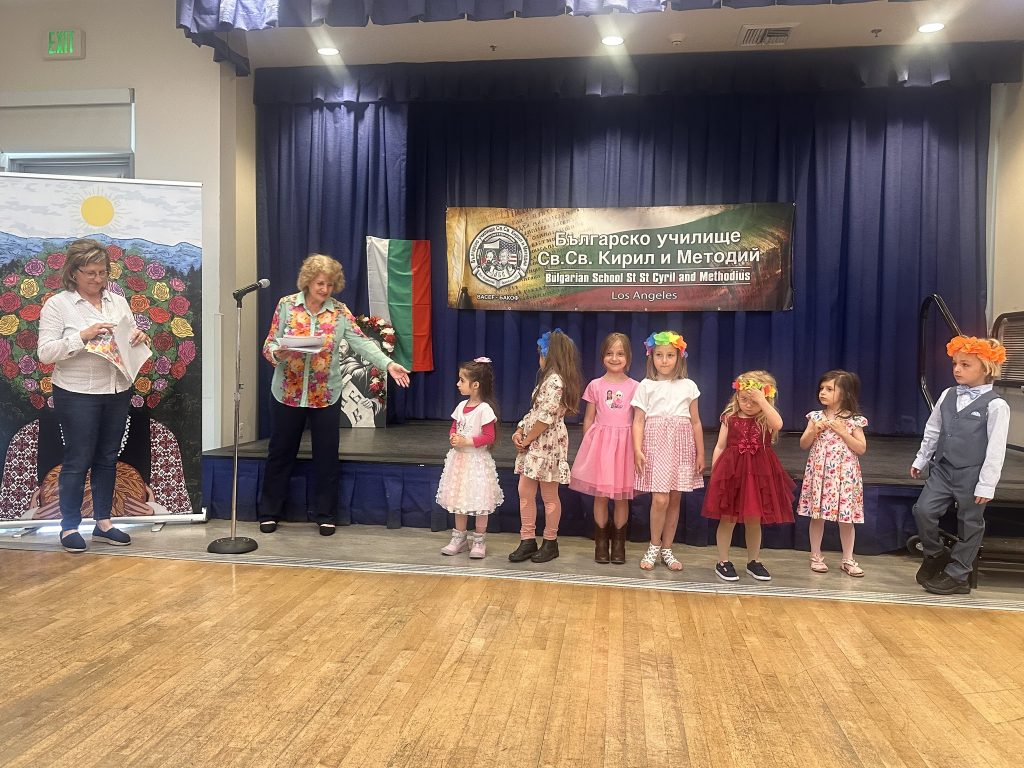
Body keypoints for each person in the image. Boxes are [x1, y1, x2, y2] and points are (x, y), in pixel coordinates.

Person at [259, 254, 410, 536]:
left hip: (325, 393)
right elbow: (269, 344)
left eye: (330, 284)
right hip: (288, 392)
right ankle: (269, 512)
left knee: (326, 456)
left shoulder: (339, 312)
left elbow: (361, 343)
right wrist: (278, 352)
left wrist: (388, 364)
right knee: (280, 452)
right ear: (308, 281)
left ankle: (325, 514)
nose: (325, 289)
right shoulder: (287, 305)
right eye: (320, 283)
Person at [37, 238, 150, 553]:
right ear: (73, 272)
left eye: (102, 272)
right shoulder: (58, 305)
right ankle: (69, 526)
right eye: (90, 273)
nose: (98, 279)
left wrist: (138, 337)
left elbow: (128, 338)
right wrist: (82, 337)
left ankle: (104, 523)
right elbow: (45, 353)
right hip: (77, 392)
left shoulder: (118, 301)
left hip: (116, 389)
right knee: (78, 459)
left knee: (107, 457)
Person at [910, 335, 1010, 595]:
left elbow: (996, 449)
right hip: (943, 468)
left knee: (970, 522)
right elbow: (933, 429)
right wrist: (922, 458)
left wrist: (987, 484)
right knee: (923, 510)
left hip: (972, 473)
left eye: (965, 365)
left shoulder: (996, 405)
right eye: (955, 363)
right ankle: (935, 554)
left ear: (985, 369)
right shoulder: (948, 394)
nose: (957, 369)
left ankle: (958, 573)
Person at [702, 371, 795, 582]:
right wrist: (716, 473)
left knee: (754, 519)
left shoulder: (765, 419)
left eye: (753, 400)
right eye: (744, 399)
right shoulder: (730, 418)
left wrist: (762, 401)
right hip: (733, 473)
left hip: (758, 474)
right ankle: (723, 561)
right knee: (728, 519)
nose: (748, 404)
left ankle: (753, 561)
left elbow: (778, 424)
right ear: (737, 396)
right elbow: (720, 446)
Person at [631, 331, 705, 572]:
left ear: (679, 357)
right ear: (651, 357)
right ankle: (654, 545)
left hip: (681, 445)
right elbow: (638, 421)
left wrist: (701, 453)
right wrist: (637, 448)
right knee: (660, 498)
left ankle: (667, 548)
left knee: (674, 498)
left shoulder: (689, 386)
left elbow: (696, 422)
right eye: (659, 355)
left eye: (670, 355)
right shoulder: (645, 385)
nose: (664, 360)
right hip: (656, 444)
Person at [508, 329, 582, 564]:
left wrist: (528, 439)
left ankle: (550, 541)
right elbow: (534, 412)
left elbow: (546, 418)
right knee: (525, 491)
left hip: (548, 444)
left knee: (549, 495)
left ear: (550, 356)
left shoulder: (556, 382)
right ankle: (527, 539)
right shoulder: (547, 380)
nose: (539, 358)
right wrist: (520, 430)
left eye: (541, 353)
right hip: (534, 443)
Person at [570, 332, 638, 564]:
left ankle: (618, 545)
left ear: (628, 358)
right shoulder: (595, 385)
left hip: (624, 448)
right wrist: (589, 444)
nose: (615, 358)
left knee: (621, 498)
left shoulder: (635, 387)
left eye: (620, 354)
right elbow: (589, 418)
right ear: (602, 357)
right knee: (600, 496)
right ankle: (601, 544)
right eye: (609, 353)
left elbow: (638, 420)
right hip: (601, 446)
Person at [797, 370, 868, 576]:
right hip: (820, 473)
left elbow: (861, 448)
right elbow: (803, 444)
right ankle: (815, 555)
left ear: (845, 393)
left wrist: (843, 432)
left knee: (846, 517)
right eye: (822, 388)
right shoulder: (815, 417)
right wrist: (814, 430)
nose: (823, 392)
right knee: (817, 515)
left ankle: (848, 559)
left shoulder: (854, 420)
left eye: (829, 389)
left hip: (844, 474)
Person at [436, 358, 503, 558]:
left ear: (475, 385)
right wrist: (453, 437)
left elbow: (489, 437)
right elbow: (454, 427)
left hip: (476, 463)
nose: (458, 384)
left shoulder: (484, 410)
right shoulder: (461, 406)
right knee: (460, 498)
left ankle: (479, 540)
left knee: (480, 500)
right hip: (460, 462)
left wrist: (467, 441)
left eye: (462, 380)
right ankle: (459, 538)